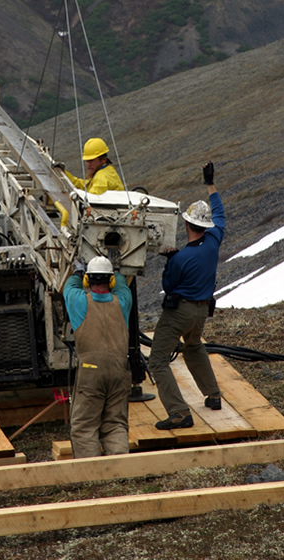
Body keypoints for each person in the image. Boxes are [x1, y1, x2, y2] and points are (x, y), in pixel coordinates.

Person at [148, 162, 225, 429]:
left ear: (186, 223)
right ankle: (213, 395)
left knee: (158, 361)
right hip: (201, 311)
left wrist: (170, 260)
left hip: (179, 313)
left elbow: (169, 286)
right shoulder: (214, 239)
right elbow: (220, 212)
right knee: (193, 346)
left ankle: (179, 413)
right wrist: (210, 184)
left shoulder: (182, 258)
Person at [63, 255, 133, 457]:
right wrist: (116, 269)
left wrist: (78, 272)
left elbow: (69, 287)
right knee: (116, 424)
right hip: (120, 370)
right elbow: (122, 285)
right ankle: (121, 467)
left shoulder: (79, 301)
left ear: (88, 280)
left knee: (84, 427)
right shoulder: (123, 301)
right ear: (110, 280)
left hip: (90, 372)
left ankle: (92, 471)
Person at [55, 137, 124, 195]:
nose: (88, 165)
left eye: (91, 161)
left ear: (103, 160)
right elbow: (83, 185)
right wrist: (63, 173)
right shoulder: (105, 171)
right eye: (87, 161)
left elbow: (91, 198)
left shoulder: (102, 178)